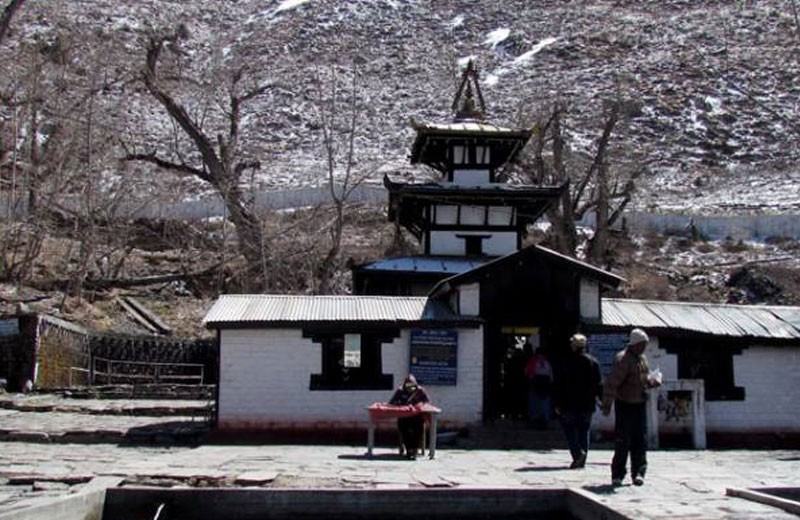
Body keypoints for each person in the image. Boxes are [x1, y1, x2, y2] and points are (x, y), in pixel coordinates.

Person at [601, 328, 662, 487]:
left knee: (639, 440)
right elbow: (612, 383)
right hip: (625, 404)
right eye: (642, 344)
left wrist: (653, 381)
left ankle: (639, 472)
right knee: (622, 440)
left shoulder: (642, 359)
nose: (644, 347)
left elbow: (645, 378)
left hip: (639, 404)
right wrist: (607, 404)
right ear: (635, 344)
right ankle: (618, 474)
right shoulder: (623, 359)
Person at [554, 333, 602, 469]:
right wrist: (601, 398)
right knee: (584, 430)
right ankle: (582, 457)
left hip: (568, 403)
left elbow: (559, 384)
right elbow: (599, 383)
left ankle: (577, 454)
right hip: (587, 403)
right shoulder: (593, 362)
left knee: (570, 429)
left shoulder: (565, 362)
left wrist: (557, 402)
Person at [389, 374, 430, 459]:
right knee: (403, 427)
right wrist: (401, 404)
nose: (410, 387)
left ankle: (415, 449)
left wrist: (420, 404)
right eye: (408, 385)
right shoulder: (400, 391)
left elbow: (426, 402)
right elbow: (392, 402)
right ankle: (409, 449)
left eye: (412, 385)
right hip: (404, 416)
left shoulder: (420, 391)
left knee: (419, 428)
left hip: (417, 416)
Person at [524, 345, 553, 429]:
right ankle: (541, 419)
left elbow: (527, 372)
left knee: (538, 402)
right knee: (540, 402)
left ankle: (539, 419)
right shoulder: (545, 363)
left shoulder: (534, 362)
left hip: (539, 383)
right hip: (540, 384)